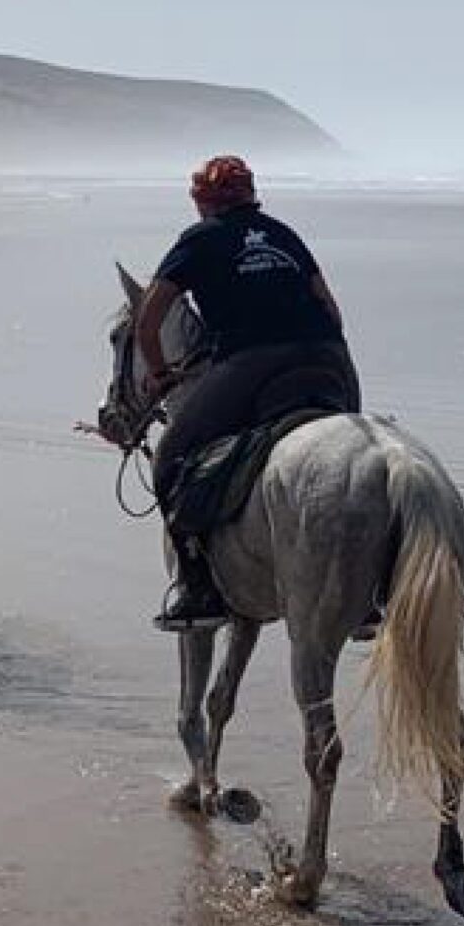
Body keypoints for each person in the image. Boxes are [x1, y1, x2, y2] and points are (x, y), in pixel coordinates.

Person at [134, 154, 361, 628]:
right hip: (330, 359)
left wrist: (159, 374)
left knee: (172, 460)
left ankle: (197, 587)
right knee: (357, 453)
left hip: (254, 360)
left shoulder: (198, 241)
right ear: (251, 195)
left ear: (203, 202)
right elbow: (332, 309)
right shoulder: (283, 234)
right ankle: (371, 590)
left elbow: (149, 320)